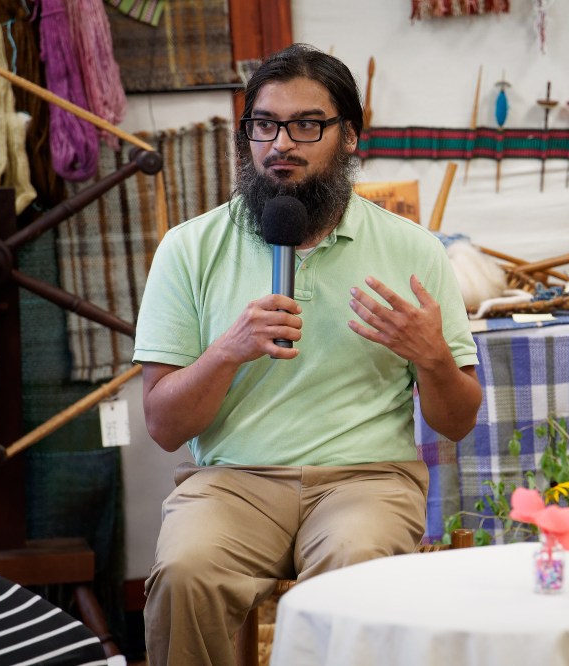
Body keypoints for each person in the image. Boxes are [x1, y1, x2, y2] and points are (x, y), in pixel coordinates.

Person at [133, 43, 482, 665]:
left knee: (355, 567)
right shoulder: (188, 249)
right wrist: (228, 351)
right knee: (185, 572)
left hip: (367, 478)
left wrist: (432, 358)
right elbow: (163, 426)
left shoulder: (414, 251)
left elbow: (456, 422)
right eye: (264, 125)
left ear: (349, 136)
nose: (281, 144)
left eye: (306, 125)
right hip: (231, 483)